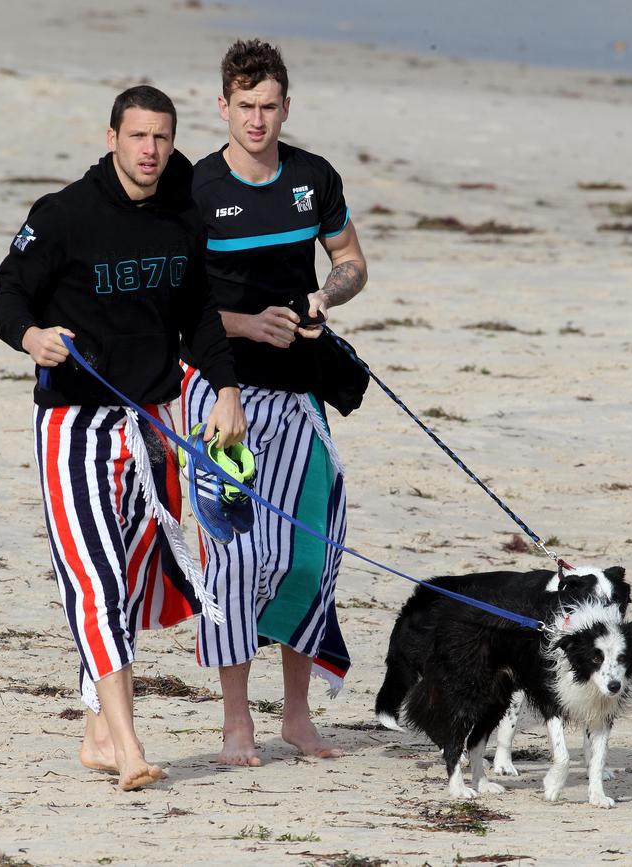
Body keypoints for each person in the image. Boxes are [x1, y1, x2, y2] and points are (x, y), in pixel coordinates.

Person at [0, 85, 246, 790]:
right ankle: (131, 748)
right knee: (95, 578)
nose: (150, 151)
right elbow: (7, 290)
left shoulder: (182, 213)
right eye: (137, 136)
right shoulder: (64, 214)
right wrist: (31, 335)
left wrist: (224, 387)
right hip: (75, 422)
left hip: (155, 419)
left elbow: (199, 311)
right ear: (112, 137)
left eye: (162, 137)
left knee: (131, 576)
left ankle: (97, 733)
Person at [180, 39, 368, 766]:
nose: (258, 120)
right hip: (221, 393)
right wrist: (242, 324)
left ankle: (295, 715)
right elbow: (176, 305)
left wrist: (325, 294)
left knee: (308, 553)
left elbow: (351, 261)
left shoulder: (313, 177)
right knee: (234, 556)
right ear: (223, 106)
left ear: (286, 107)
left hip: (301, 394)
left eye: (270, 107)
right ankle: (235, 723)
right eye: (245, 106)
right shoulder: (195, 190)